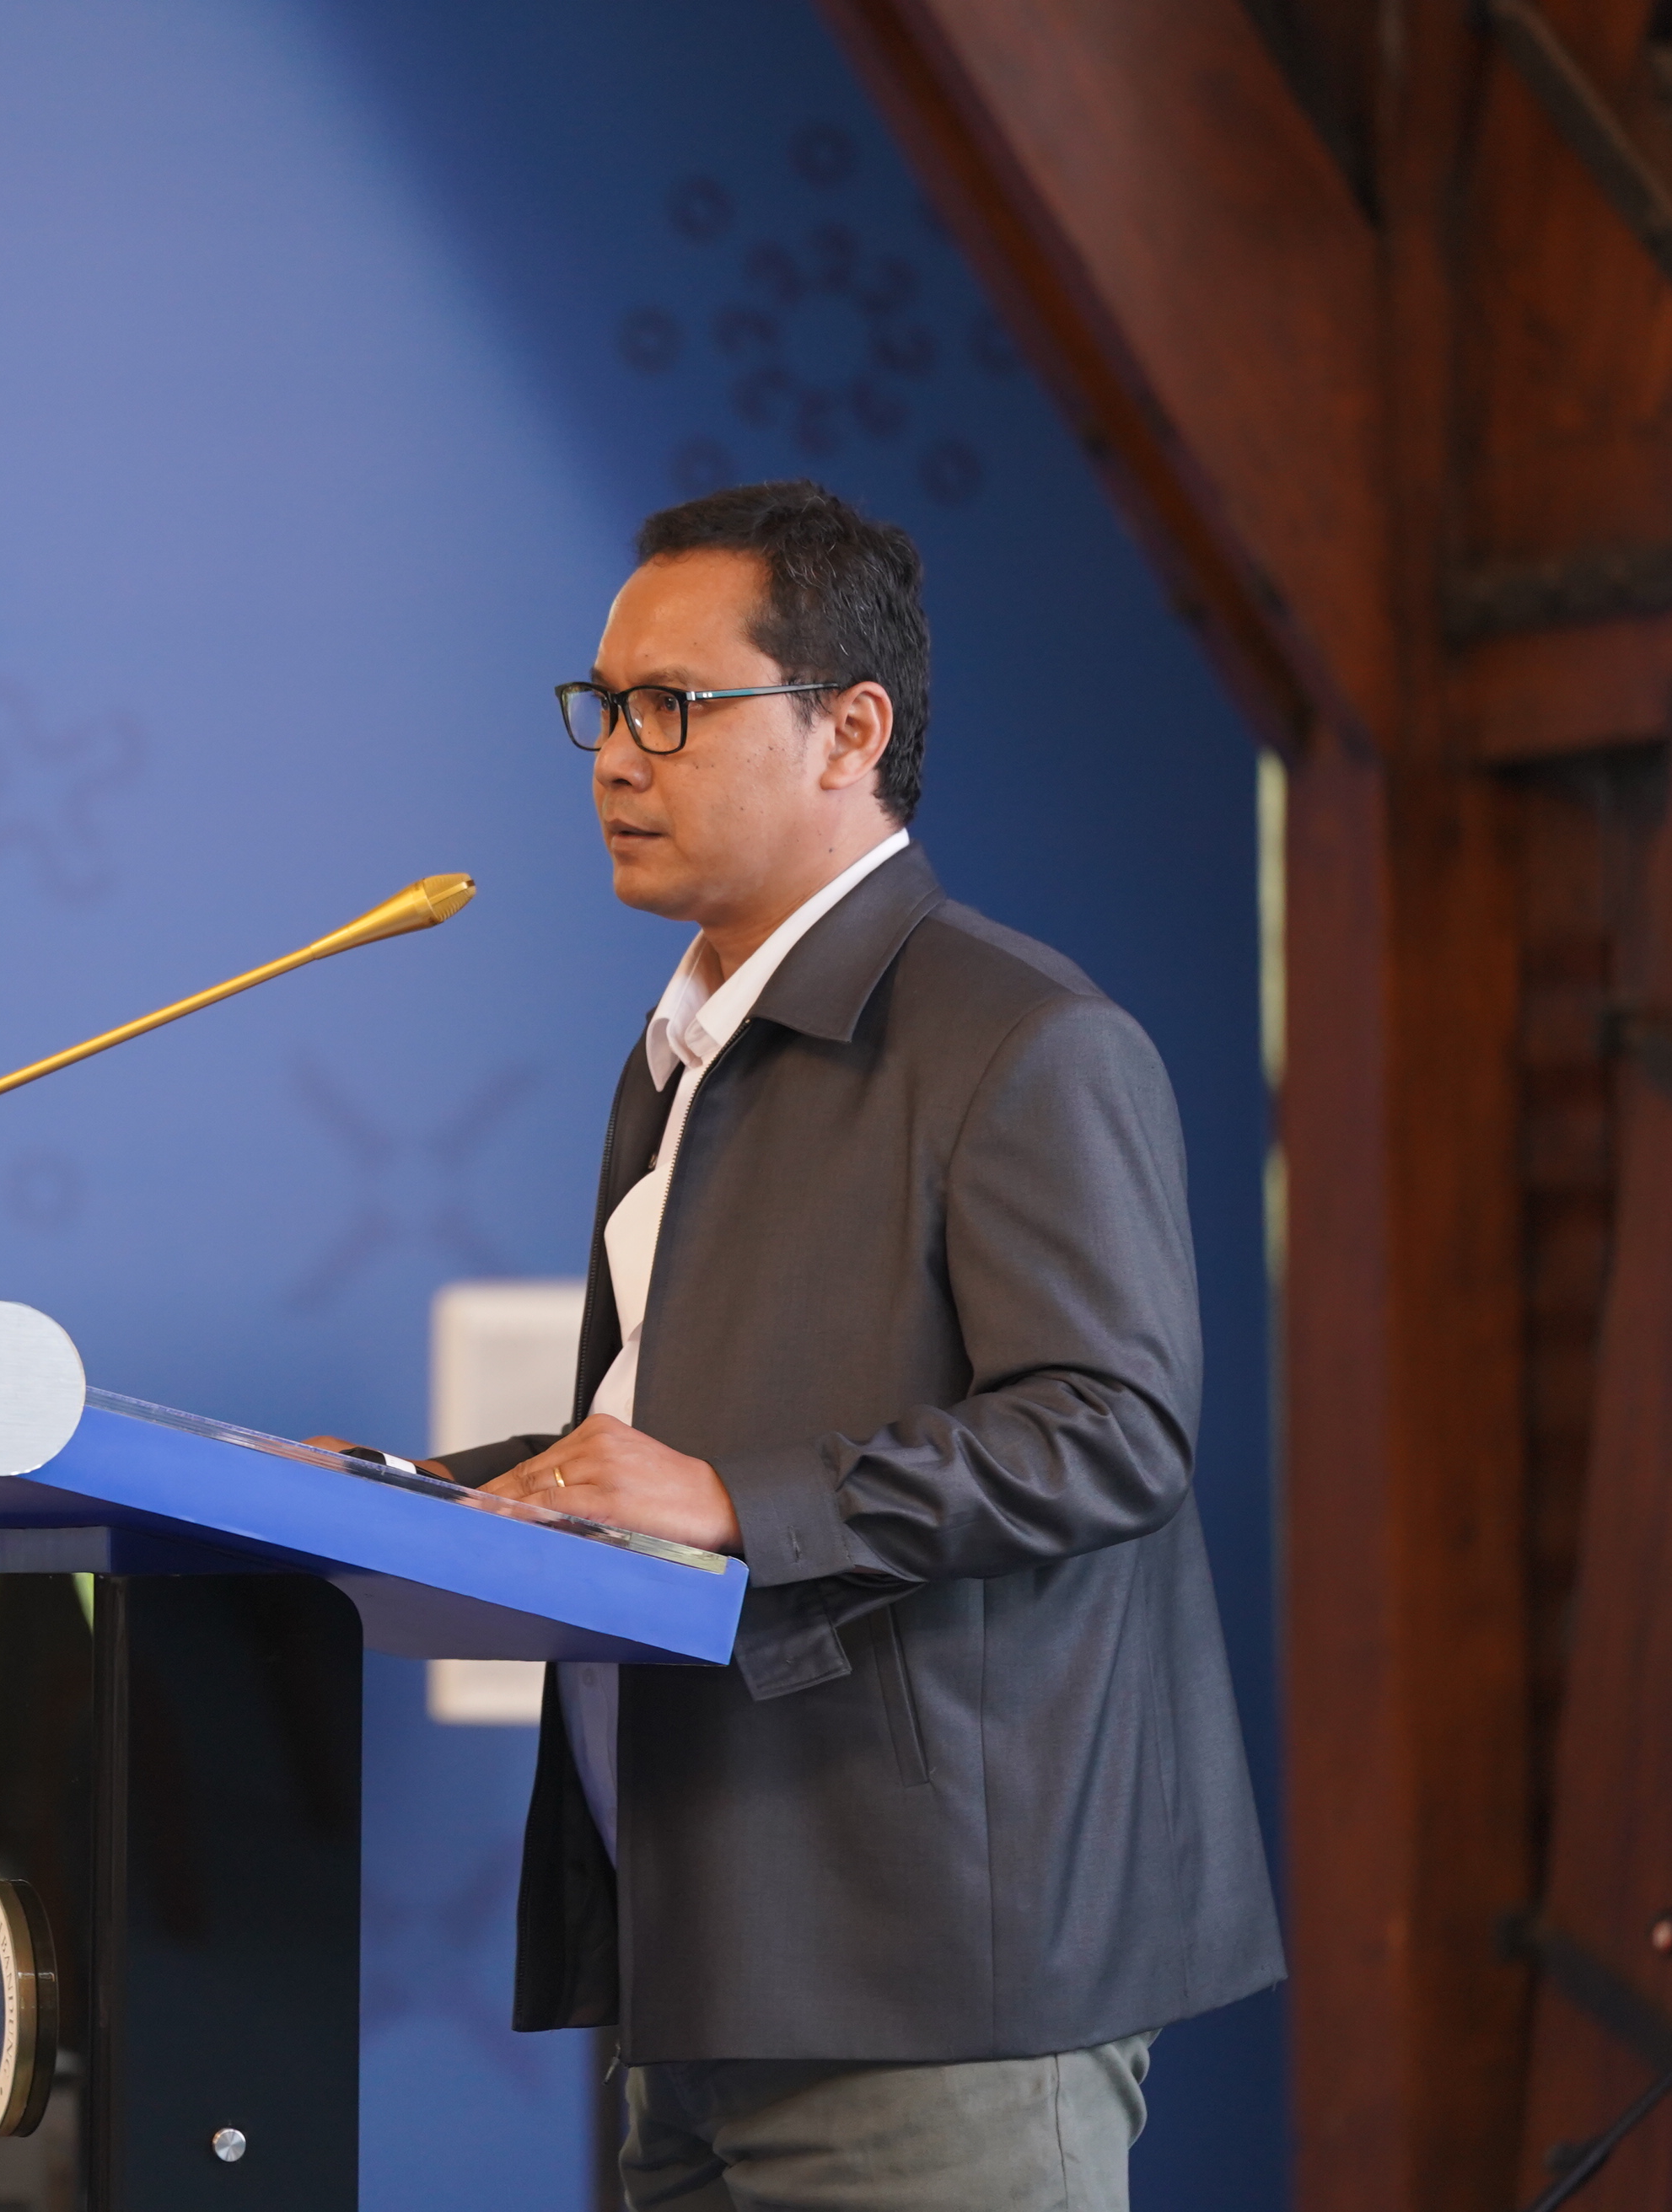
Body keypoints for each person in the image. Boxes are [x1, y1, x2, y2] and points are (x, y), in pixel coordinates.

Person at [401, 481, 1281, 2209]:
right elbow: (664, 1435)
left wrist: (736, 1500)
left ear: (850, 732)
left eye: (673, 706)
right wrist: (394, 1492)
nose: (615, 758)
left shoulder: (1024, 1038)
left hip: (929, 1985)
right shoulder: (682, 1052)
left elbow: (1112, 1429)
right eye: (603, 707)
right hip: (698, 1959)